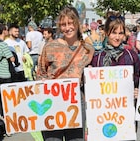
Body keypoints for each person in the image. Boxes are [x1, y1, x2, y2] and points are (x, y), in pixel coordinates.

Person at [36, 5, 94, 141]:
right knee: (52, 139)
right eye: (63, 24)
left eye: (70, 23)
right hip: (51, 100)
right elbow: (41, 72)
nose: (67, 28)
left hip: (76, 102)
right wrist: (42, 83)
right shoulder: (50, 47)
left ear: (77, 23)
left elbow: (90, 79)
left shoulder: (88, 49)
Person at [91, 11, 140, 89]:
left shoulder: (131, 56)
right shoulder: (97, 59)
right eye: (114, 33)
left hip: (126, 100)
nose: (117, 37)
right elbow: (92, 88)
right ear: (107, 33)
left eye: (120, 33)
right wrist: (89, 76)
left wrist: (138, 91)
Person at [0, 24, 15, 119]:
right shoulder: (3, 44)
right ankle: (4, 115)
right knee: (5, 97)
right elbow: (12, 59)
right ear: (4, 31)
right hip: (4, 74)